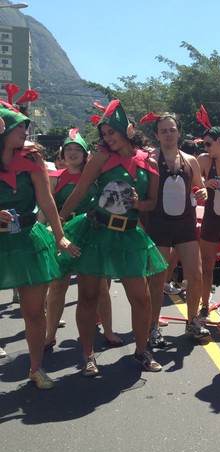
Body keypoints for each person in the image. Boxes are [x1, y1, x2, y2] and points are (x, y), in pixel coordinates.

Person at [58, 99, 168, 376]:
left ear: (127, 130)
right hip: (95, 232)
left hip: (129, 234)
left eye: (112, 132)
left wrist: (137, 204)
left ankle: (141, 351)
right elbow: (81, 190)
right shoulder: (101, 158)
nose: (108, 138)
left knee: (141, 298)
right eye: (104, 133)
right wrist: (58, 222)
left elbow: (152, 201)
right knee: (89, 296)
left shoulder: (150, 162)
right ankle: (88, 356)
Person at [0, 92, 79, 389]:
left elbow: (47, 201)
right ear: (5, 129)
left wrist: (59, 236)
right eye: (21, 126)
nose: (26, 131)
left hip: (28, 241)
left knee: (34, 311)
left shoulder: (32, 158)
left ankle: (35, 367)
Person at [44, 128, 123, 350]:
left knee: (100, 289)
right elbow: (46, 209)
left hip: (93, 234)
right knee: (57, 287)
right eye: (68, 149)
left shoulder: (96, 178)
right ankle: (49, 335)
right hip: (63, 235)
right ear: (61, 153)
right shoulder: (53, 178)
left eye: (77, 149)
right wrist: (47, 231)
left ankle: (108, 330)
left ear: (85, 153)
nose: (72, 153)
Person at [139, 112, 209, 348]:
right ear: (157, 135)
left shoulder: (191, 160)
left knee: (196, 274)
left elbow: (200, 187)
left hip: (185, 225)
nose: (168, 134)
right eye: (163, 130)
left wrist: (203, 193)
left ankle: (192, 321)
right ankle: (153, 327)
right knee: (157, 280)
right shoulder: (149, 159)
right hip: (157, 224)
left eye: (172, 129)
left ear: (179, 132)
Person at [196, 116, 220, 322]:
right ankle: (204, 304)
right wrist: (204, 183)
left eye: (209, 144)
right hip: (211, 217)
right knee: (207, 263)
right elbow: (195, 179)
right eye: (204, 145)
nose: (206, 148)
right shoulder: (204, 160)